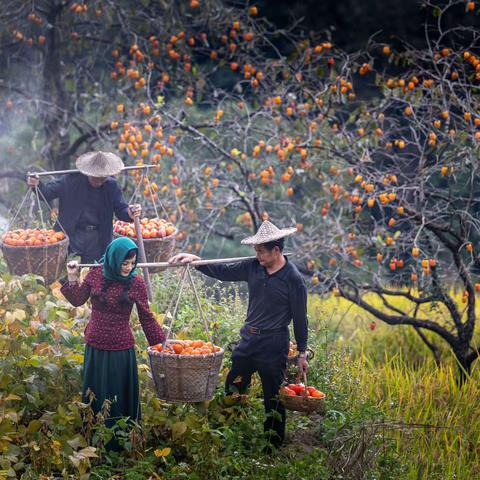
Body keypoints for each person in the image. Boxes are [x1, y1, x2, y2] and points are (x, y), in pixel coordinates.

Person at [169, 220, 308, 449]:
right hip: (249, 340)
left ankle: (272, 447)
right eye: (256, 251)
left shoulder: (293, 279)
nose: (258, 255)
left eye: (261, 251)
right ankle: (228, 433)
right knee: (233, 385)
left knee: (272, 396)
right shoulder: (253, 267)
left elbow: (301, 318)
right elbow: (223, 271)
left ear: (276, 250)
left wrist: (302, 352)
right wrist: (196, 261)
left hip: (274, 343)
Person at [60, 237, 165, 446]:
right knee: (96, 391)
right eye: (123, 263)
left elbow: (146, 316)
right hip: (96, 345)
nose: (128, 267)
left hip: (120, 347)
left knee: (117, 393)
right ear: (113, 259)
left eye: (132, 263)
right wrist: (72, 276)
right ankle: (93, 437)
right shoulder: (96, 273)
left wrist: (162, 343)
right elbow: (78, 299)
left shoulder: (136, 283)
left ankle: (121, 440)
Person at [27, 151, 141, 263]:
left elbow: (121, 209)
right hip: (71, 235)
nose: (98, 181)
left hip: (97, 238)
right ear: (87, 172)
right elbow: (47, 192)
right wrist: (37, 184)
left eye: (102, 178)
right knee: (66, 274)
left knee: (93, 274)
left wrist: (129, 212)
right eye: (95, 177)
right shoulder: (70, 180)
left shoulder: (111, 186)